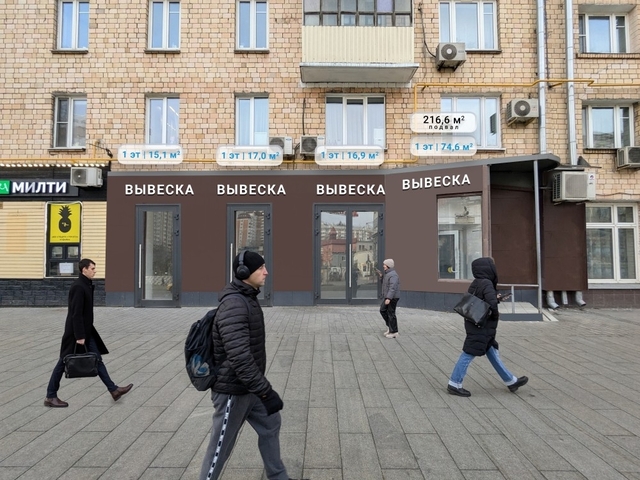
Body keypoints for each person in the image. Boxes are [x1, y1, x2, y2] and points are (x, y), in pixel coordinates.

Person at [200, 251, 304, 480]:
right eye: (260, 268)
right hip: (232, 391)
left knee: (271, 423)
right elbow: (240, 358)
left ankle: (279, 477)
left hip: (248, 387)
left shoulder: (248, 298)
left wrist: (260, 391)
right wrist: (266, 392)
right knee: (220, 449)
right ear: (244, 272)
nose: (266, 272)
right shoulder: (235, 305)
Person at [44, 259, 133, 407]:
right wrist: (79, 336)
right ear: (84, 269)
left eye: (94, 268)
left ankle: (114, 390)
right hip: (75, 333)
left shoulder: (86, 285)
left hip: (86, 331)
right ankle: (50, 396)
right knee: (63, 362)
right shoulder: (78, 287)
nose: (95, 271)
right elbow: (76, 313)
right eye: (92, 268)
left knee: (96, 359)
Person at [447, 257, 528, 397]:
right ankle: (454, 383)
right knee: (469, 352)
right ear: (488, 268)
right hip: (482, 325)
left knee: (491, 351)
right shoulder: (487, 283)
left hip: (475, 322)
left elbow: (479, 300)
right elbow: (491, 304)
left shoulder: (477, 282)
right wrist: (496, 314)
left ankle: (510, 381)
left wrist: (497, 298)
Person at [378, 258, 400, 338]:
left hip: (392, 297)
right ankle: (390, 327)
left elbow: (392, 288)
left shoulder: (393, 275)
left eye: (384, 265)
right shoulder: (388, 274)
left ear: (388, 266)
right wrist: (381, 277)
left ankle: (394, 332)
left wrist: (388, 298)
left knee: (391, 313)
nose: (383, 266)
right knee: (382, 310)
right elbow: (385, 285)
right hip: (389, 296)